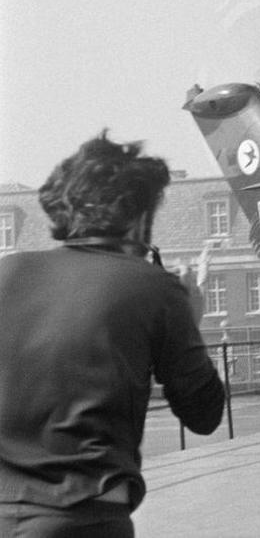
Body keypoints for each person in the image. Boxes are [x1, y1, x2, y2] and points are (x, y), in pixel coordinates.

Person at [0, 132, 225, 536]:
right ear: (139, 219)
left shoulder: (5, 274)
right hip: (83, 517)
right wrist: (190, 320)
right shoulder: (153, 287)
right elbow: (204, 414)